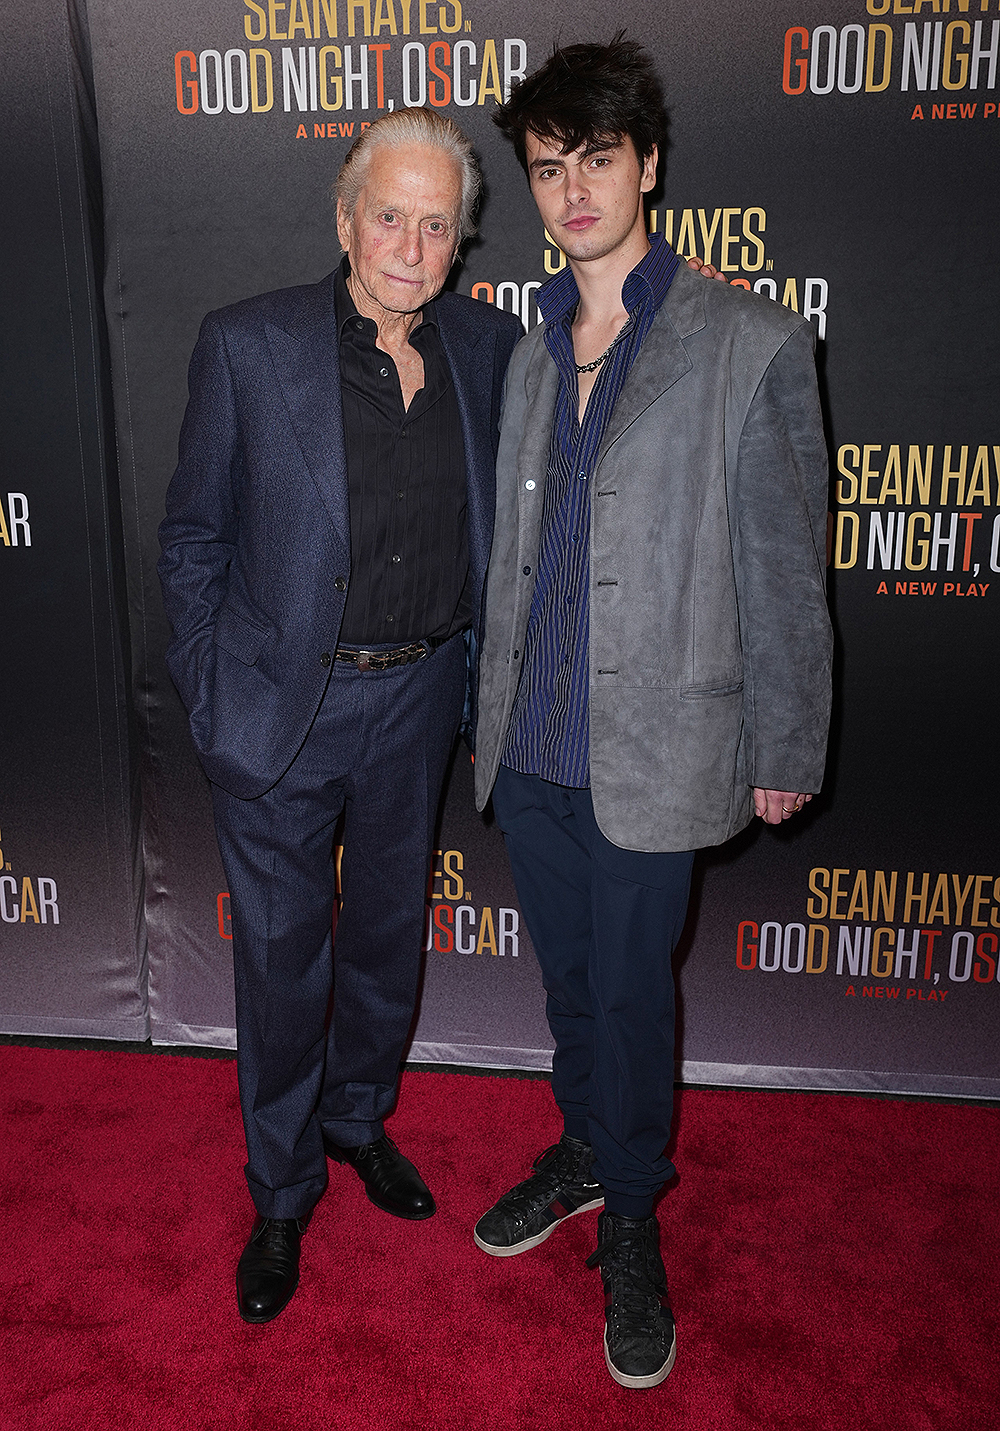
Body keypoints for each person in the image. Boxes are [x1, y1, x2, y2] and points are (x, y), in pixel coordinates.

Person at [472, 39, 833, 1391]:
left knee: (630, 995)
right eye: (550, 168)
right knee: (571, 984)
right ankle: (580, 1147)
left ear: (650, 166)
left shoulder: (747, 344)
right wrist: (489, 717)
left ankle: (630, 1215)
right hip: (537, 736)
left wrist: (788, 742)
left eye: (598, 161)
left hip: (662, 738)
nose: (573, 191)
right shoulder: (526, 355)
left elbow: (785, 567)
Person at [157, 108, 522, 1323]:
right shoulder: (248, 346)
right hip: (280, 708)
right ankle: (280, 1186)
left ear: (461, 240)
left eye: (436, 224)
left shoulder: (487, 348)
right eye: (388, 217)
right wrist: (215, 685)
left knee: (382, 940)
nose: (411, 246)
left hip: (420, 695)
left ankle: (359, 1120)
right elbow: (195, 538)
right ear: (342, 218)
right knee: (278, 960)